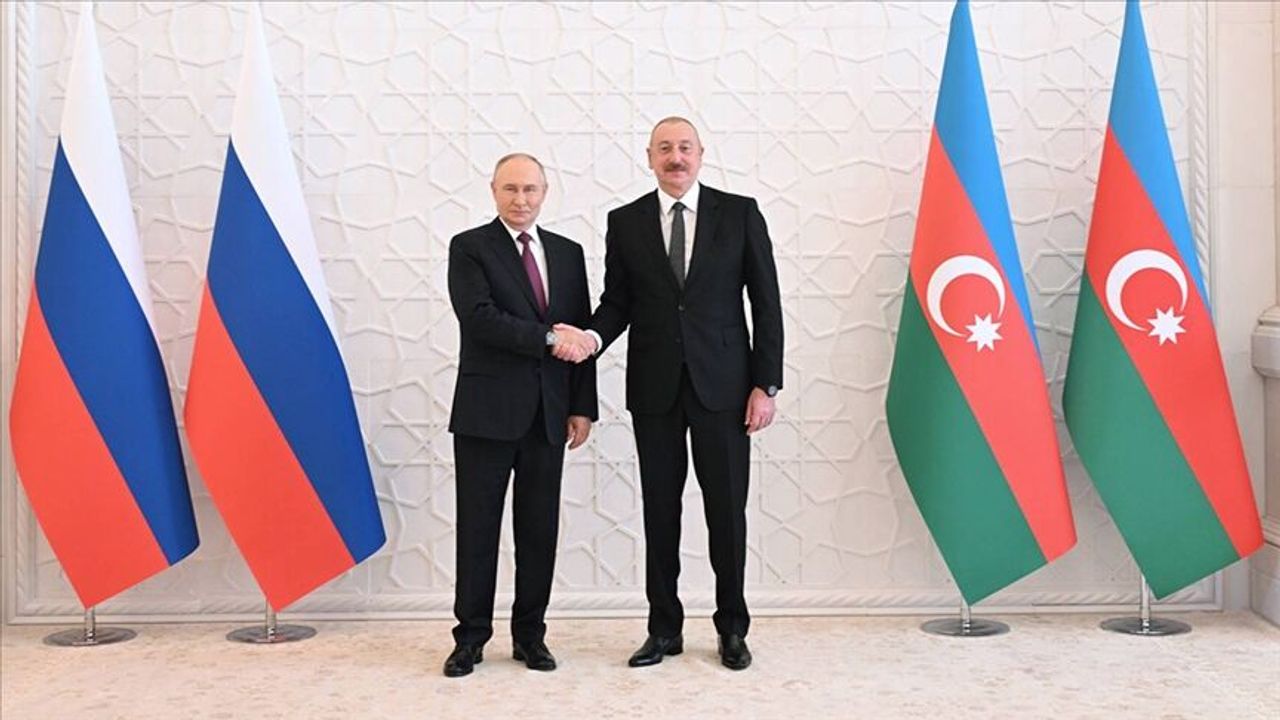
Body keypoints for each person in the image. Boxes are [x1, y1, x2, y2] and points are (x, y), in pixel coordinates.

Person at [555, 117, 784, 670]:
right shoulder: (626, 221)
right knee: (660, 511)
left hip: (725, 389)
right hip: (655, 389)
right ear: (650, 157)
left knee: (726, 512)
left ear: (701, 154)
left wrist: (766, 383)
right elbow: (618, 302)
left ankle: (732, 629)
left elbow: (766, 302)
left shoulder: (740, 213)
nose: (675, 157)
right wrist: (590, 338)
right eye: (664, 149)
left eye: (684, 147)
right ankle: (663, 629)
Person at [443, 152, 597, 677]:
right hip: (485, 415)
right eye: (510, 188)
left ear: (545, 193)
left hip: (548, 416)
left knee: (538, 530)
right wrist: (549, 338)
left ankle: (531, 636)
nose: (520, 199)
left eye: (530, 189)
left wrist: (582, 406)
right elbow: (480, 319)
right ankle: (470, 638)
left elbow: (581, 334)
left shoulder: (568, 253)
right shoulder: (470, 247)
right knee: (478, 530)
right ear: (493, 191)